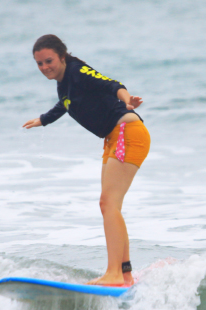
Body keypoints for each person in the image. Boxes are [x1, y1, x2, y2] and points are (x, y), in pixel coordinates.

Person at [23, 34, 150, 286]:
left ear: (62, 56)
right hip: (115, 137)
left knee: (108, 203)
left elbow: (112, 85)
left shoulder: (78, 70)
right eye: (39, 63)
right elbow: (66, 103)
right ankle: (124, 273)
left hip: (127, 132)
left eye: (49, 61)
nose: (44, 67)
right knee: (109, 205)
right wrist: (44, 119)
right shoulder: (65, 82)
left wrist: (128, 101)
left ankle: (114, 273)